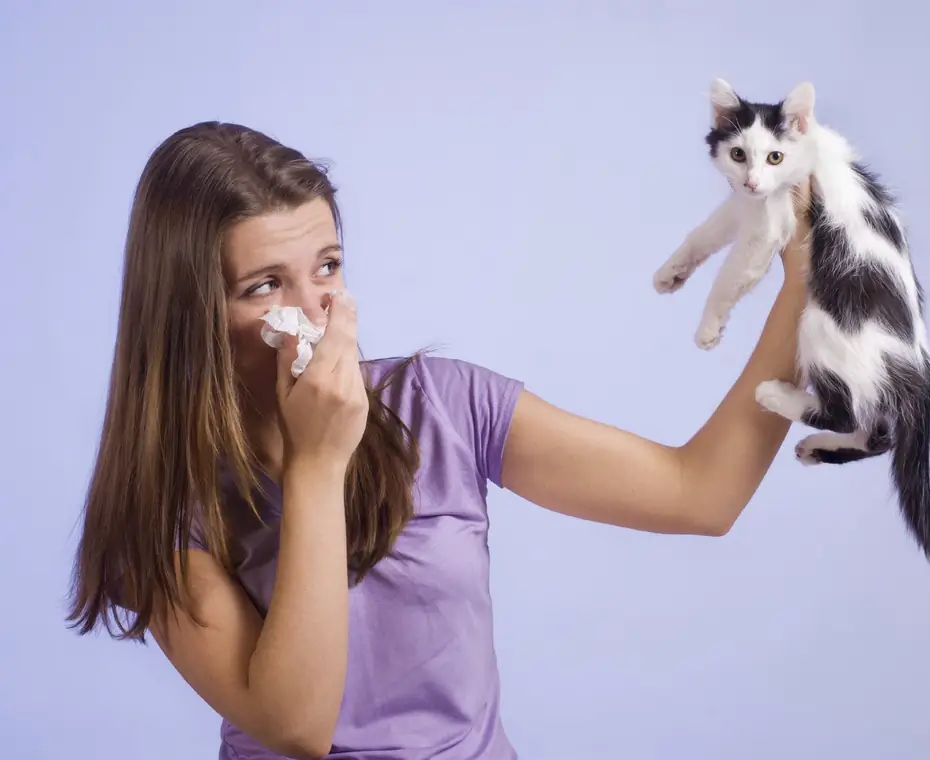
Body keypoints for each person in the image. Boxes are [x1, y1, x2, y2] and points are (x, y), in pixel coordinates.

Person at [67, 121, 811, 760]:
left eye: (327, 268)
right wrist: (318, 466)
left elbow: (701, 494)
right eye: (265, 286)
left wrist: (804, 283)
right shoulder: (165, 516)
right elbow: (297, 729)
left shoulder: (444, 406)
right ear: (191, 314)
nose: (315, 311)